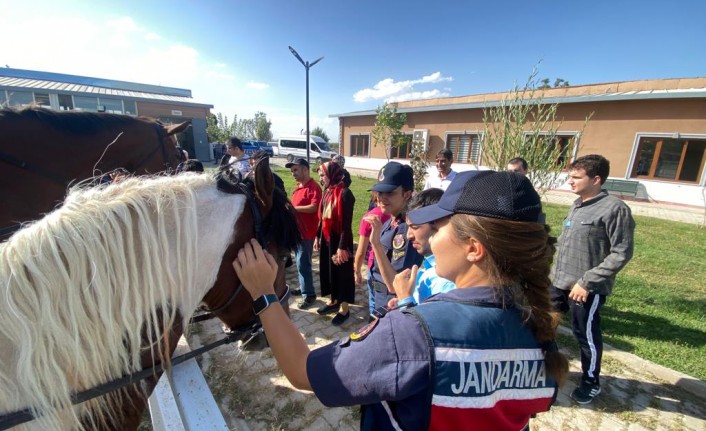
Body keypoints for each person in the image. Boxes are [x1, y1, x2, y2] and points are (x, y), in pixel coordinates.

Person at [231, 170, 568, 430]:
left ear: (474, 248)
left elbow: (303, 373)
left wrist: (264, 295)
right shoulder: (537, 329)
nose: (429, 238)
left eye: (437, 229)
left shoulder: (412, 334)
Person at [550, 154, 635, 405]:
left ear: (596, 179)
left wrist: (587, 281)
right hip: (558, 282)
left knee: (585, 335)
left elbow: (622, 253)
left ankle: (591, 381)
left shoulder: (615, 209)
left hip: (586, 289)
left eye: (576, 177)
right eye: (570, 176)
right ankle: (546, 368)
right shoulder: (577, 204)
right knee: (544, 325)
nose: (570, 181)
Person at [364, 162, 423, 316]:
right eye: (379, 192)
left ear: (407, 194)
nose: (382, 198)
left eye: (389, 192)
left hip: (392, 304)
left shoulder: (406, 230)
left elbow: (394, 284)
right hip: (379, 297)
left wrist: (375, 242)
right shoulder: (392, 220)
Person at [390, 188, 455, 307]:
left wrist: (405, 301)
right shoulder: (432, 266)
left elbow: (428, 325)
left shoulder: (445, 283)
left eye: (415, 227)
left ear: (438, 225)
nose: (409, 235)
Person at [314, 161, 356, 325]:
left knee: (342, 274)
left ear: (332, 174)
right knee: (329, 271)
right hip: (327, 239)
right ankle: (333, 301)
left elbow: (346, 224)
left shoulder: (345, 194)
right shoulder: (327, 192)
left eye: (323, 175)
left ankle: (344, 309)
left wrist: (341, 247)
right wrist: (318, 237)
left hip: (340, 241)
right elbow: (321, 218)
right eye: (320, 176)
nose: (321, 179)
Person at [286, 158, 322, 309]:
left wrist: (294, 209)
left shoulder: (314, 187)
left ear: (305, 169)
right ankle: (303, 287)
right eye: (292, 170)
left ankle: (309, 295)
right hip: (297, 232)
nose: (293, 173)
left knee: (303, 264)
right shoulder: (299, 186)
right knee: (300, 264)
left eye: (296, 170)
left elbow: (315, 207)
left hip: (307, 233)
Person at [353, 191, 391, 319]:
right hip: (393, 265)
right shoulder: (397, 214)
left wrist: (357, 271)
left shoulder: (370, 217)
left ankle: (373, 323)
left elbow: (361, 251)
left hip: (375, 266)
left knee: (374, 299)